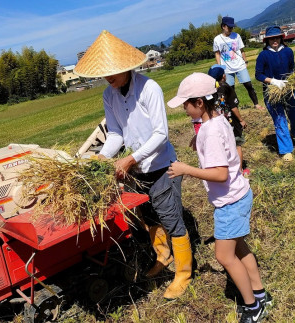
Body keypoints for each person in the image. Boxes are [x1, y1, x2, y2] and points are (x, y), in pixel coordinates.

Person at [74, 30, 193, 300]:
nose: (108, 78)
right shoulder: (109, 95)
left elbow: (161, 134)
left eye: (112, 72)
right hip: (137, 171)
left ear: (126, 68)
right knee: (149, 216)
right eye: (104, 73)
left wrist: (131, 158)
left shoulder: (149, 88)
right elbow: (116, 133)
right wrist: (104, 156)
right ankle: (163, 258)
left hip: (162, 166)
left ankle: (184, 273)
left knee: (171, 218)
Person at [166, 72, 271, 323]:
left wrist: (186, 169)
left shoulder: (210, 131)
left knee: (224, 256)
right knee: (240, 248)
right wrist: (199, 139)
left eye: (186, 103)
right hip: (239, 194)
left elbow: (220, 174)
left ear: (200, 102)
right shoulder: (218, 118)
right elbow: (223, 145)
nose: (183, 107)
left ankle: (252, 306)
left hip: (230, 203)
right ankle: (260, 293)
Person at [255, 26, 295, 162]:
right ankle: (287, 150)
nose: (274, 40)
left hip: (288, 89)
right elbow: (258, 75)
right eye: (271, 39)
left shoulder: (288, 51)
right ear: (267, 40)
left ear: (281, 38)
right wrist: (273, 81)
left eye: (276, 37)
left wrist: (291, 80)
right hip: (272, 93)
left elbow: (292, 68)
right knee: (280, 119)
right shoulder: (263, 55)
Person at [213, 16, 263, 110]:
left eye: (232, 27)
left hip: (240, 65)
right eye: (229, 27)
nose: (231, 29)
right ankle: (233, 108)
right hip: (226, 68)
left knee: (248, 85)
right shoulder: (217, 39)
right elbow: (217, 54)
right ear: (223, 26)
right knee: (230, 89)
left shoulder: (236, 36)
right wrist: (220, 68)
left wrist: (245, 60)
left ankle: (256, 104)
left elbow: (242, 50)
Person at [208, 64, 249, 175]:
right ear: (224, 76)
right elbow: (233, 107)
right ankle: (240, 171)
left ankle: (228, 170)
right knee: (237, 146)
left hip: (217, 122)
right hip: (230, 122)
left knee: (223, 147)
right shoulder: (226, 87)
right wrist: (241, 120)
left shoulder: (209, 89)